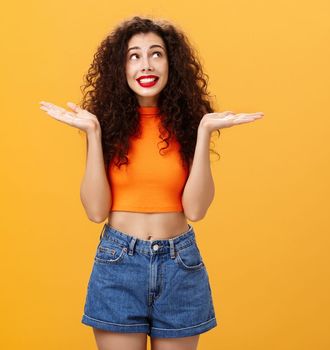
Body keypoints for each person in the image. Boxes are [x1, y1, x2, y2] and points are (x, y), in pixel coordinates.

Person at [39, 16, 263, 350]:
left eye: (156, 54)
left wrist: (203, 132)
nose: (146, 64)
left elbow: (197, 210)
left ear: (171, 64)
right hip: (118, 264)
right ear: (122, 68)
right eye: (135, 56)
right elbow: (95, 210)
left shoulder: (188, 125)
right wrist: (93, 134)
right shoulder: (106, 127)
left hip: (180, 265)